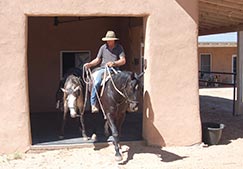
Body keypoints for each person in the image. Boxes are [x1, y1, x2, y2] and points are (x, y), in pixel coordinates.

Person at [84, 30, 126, 113]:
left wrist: (114, 63)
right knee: (96, 82)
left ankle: (126, 104)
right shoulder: (103, 47)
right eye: (107, 40)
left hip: (115, 69)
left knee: (125, 82)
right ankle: (94, 103)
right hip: (103, 69)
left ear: (114, 40)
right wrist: (90, 64)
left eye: (110, 40)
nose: (108, 42)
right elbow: (97, 59)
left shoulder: (119, 48)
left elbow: (123, 60)